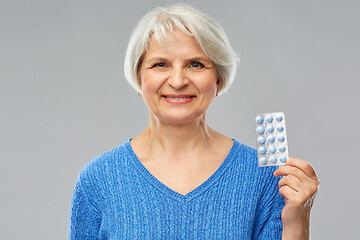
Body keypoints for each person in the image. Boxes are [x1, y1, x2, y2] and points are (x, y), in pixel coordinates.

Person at [68, 4, 319, 239]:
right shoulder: (98, 180)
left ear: (218, 79)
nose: (177, 81)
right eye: (160, 64)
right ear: (138, 78)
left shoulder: (264, 177)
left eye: (196, 64)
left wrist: (298, 222)